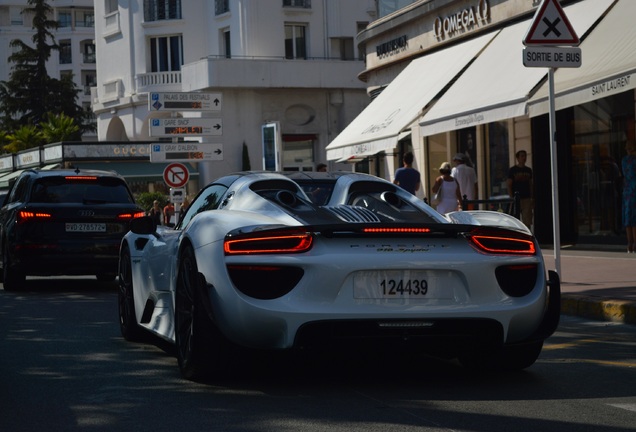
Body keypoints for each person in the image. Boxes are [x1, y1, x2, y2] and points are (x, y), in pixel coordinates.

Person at [507, 150, 534, 228]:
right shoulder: (513, 170)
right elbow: (509, 184)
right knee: (515, 220)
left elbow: (530, 184)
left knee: (527, 220)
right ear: (517, 158)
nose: (524, 158)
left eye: (525, 156)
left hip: (526, 198)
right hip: (516, 198)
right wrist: (511, 197)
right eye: (522, 156)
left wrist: (532, 197)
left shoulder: (528, 170)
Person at [622, 140, 636, 253]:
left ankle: (629, 243)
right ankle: (635, 243)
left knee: (628, 217)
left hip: (627, 190)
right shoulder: (634, 160)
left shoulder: (624, 161)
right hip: (634, 189)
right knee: (634, 217)